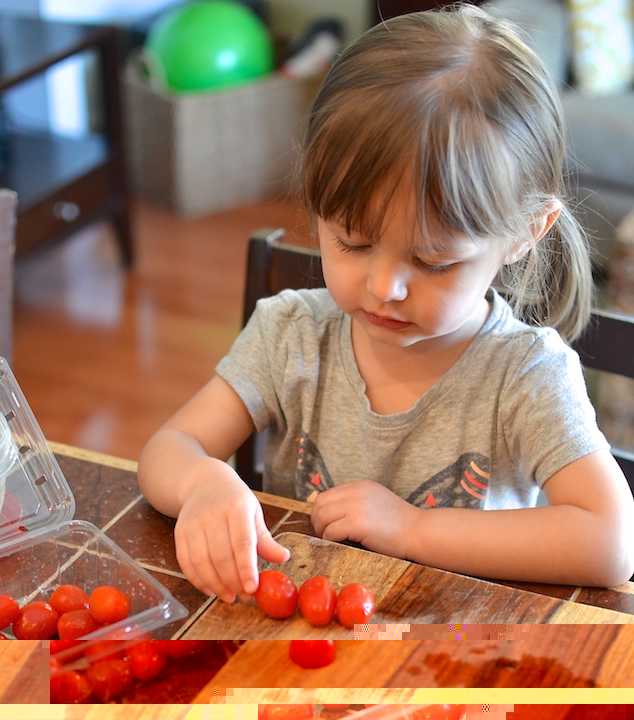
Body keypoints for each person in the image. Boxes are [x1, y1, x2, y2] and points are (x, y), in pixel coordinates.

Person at [138, 3, 634, 603]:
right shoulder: (292, 333)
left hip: (455, 653)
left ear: (525, 233)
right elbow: (168, 450)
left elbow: (611, 544)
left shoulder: (526, 375)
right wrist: (203, 483)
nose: (383, 289)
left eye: (432, 262)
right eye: (352, 241)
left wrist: (412, 527)